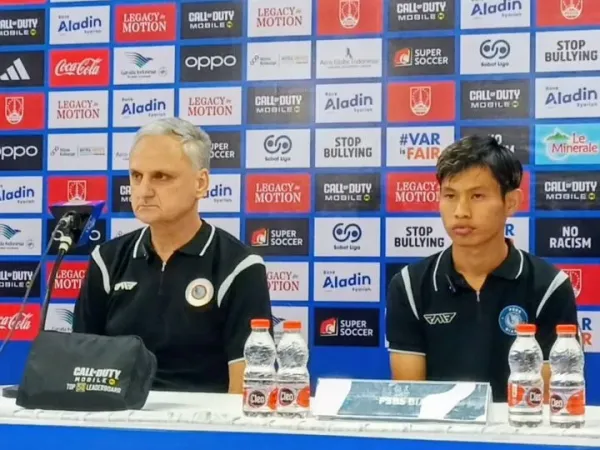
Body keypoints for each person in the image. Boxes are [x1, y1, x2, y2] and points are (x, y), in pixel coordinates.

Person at [73, 117, 272, 394]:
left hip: (204, 419)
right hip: (117, 416)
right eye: (136, 176)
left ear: (201, 183)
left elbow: (245, 389)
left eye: (161, 177)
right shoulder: (106, 260)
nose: (144, 191)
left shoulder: (239, 267)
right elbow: (79, 371)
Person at [386, 135, 578, 402]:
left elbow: (547, 402)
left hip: (519, 427)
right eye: (450, 196)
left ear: (511, 202)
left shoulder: (548, 287)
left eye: (477, 196)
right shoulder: (409, 286)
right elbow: (411, 399)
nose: (461, 211)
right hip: (438, 429)